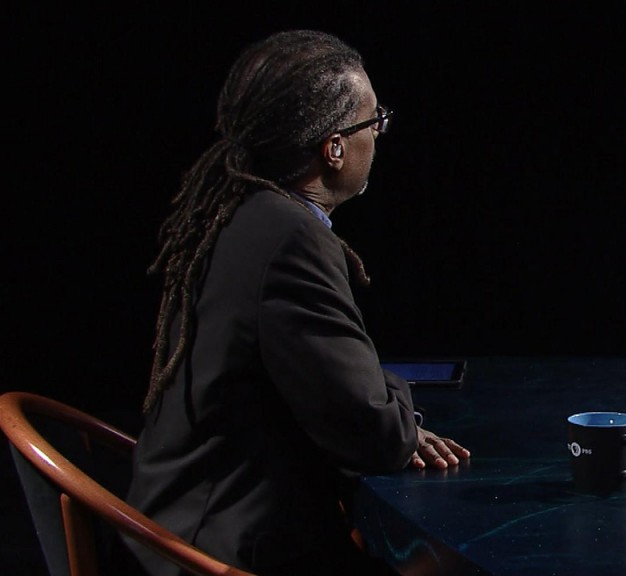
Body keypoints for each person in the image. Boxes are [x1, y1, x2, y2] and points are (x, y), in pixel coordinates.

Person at [124, 30, 470, 575]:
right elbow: (374, 435)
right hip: (227, 551)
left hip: (170, 524)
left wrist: (375, 402)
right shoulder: (291, 239)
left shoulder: (237, 209)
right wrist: (393, 399)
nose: (379, 135)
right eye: (374, 122)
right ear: (334, 147)